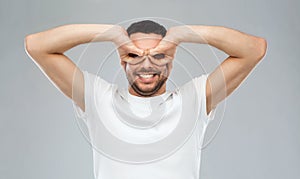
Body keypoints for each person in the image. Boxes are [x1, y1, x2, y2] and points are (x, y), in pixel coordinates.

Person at [24, 20, 267, 179]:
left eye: (158, 55)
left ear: (171, 62)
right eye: (135, 55)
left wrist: (182, 34)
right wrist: (112, 34)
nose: (146, 65)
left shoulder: (193, 100)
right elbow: (36, 46)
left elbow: (254, 49)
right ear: (123, 61)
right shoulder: (98, 99)